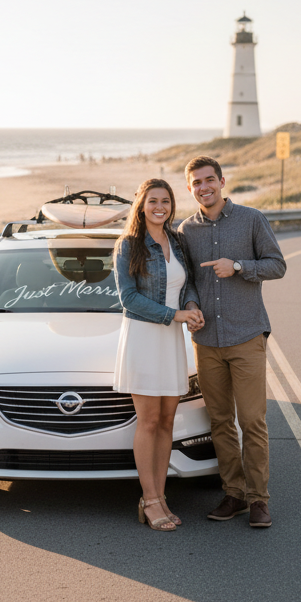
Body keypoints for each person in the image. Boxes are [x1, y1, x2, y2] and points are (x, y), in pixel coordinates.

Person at [177, 156, 286, 528]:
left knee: (252, 420)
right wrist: (191, 302)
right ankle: (234, 494)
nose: (204, 187)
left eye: (210, 180)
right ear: (189, 188)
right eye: (196, 183)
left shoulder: (252, 220)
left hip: (246, 335)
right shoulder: (185, 231)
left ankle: (259, 499)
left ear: (222, 182)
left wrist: (239, 266)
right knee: (220, 421)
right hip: (206, 340)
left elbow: (277, 265)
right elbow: (187, 279)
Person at [112, 178, 206, 532]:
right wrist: (175, 316)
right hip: (144, 337)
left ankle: (162, 495)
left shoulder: (178, 241)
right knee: (148, 421)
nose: (160, 207)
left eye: (165, 201)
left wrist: (192, 307)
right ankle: (149, 499)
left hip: (172, 341)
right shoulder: (128, 246)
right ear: (141, 204)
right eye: (153, 201)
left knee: (167, 421)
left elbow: (188, 284)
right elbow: (129, 299)